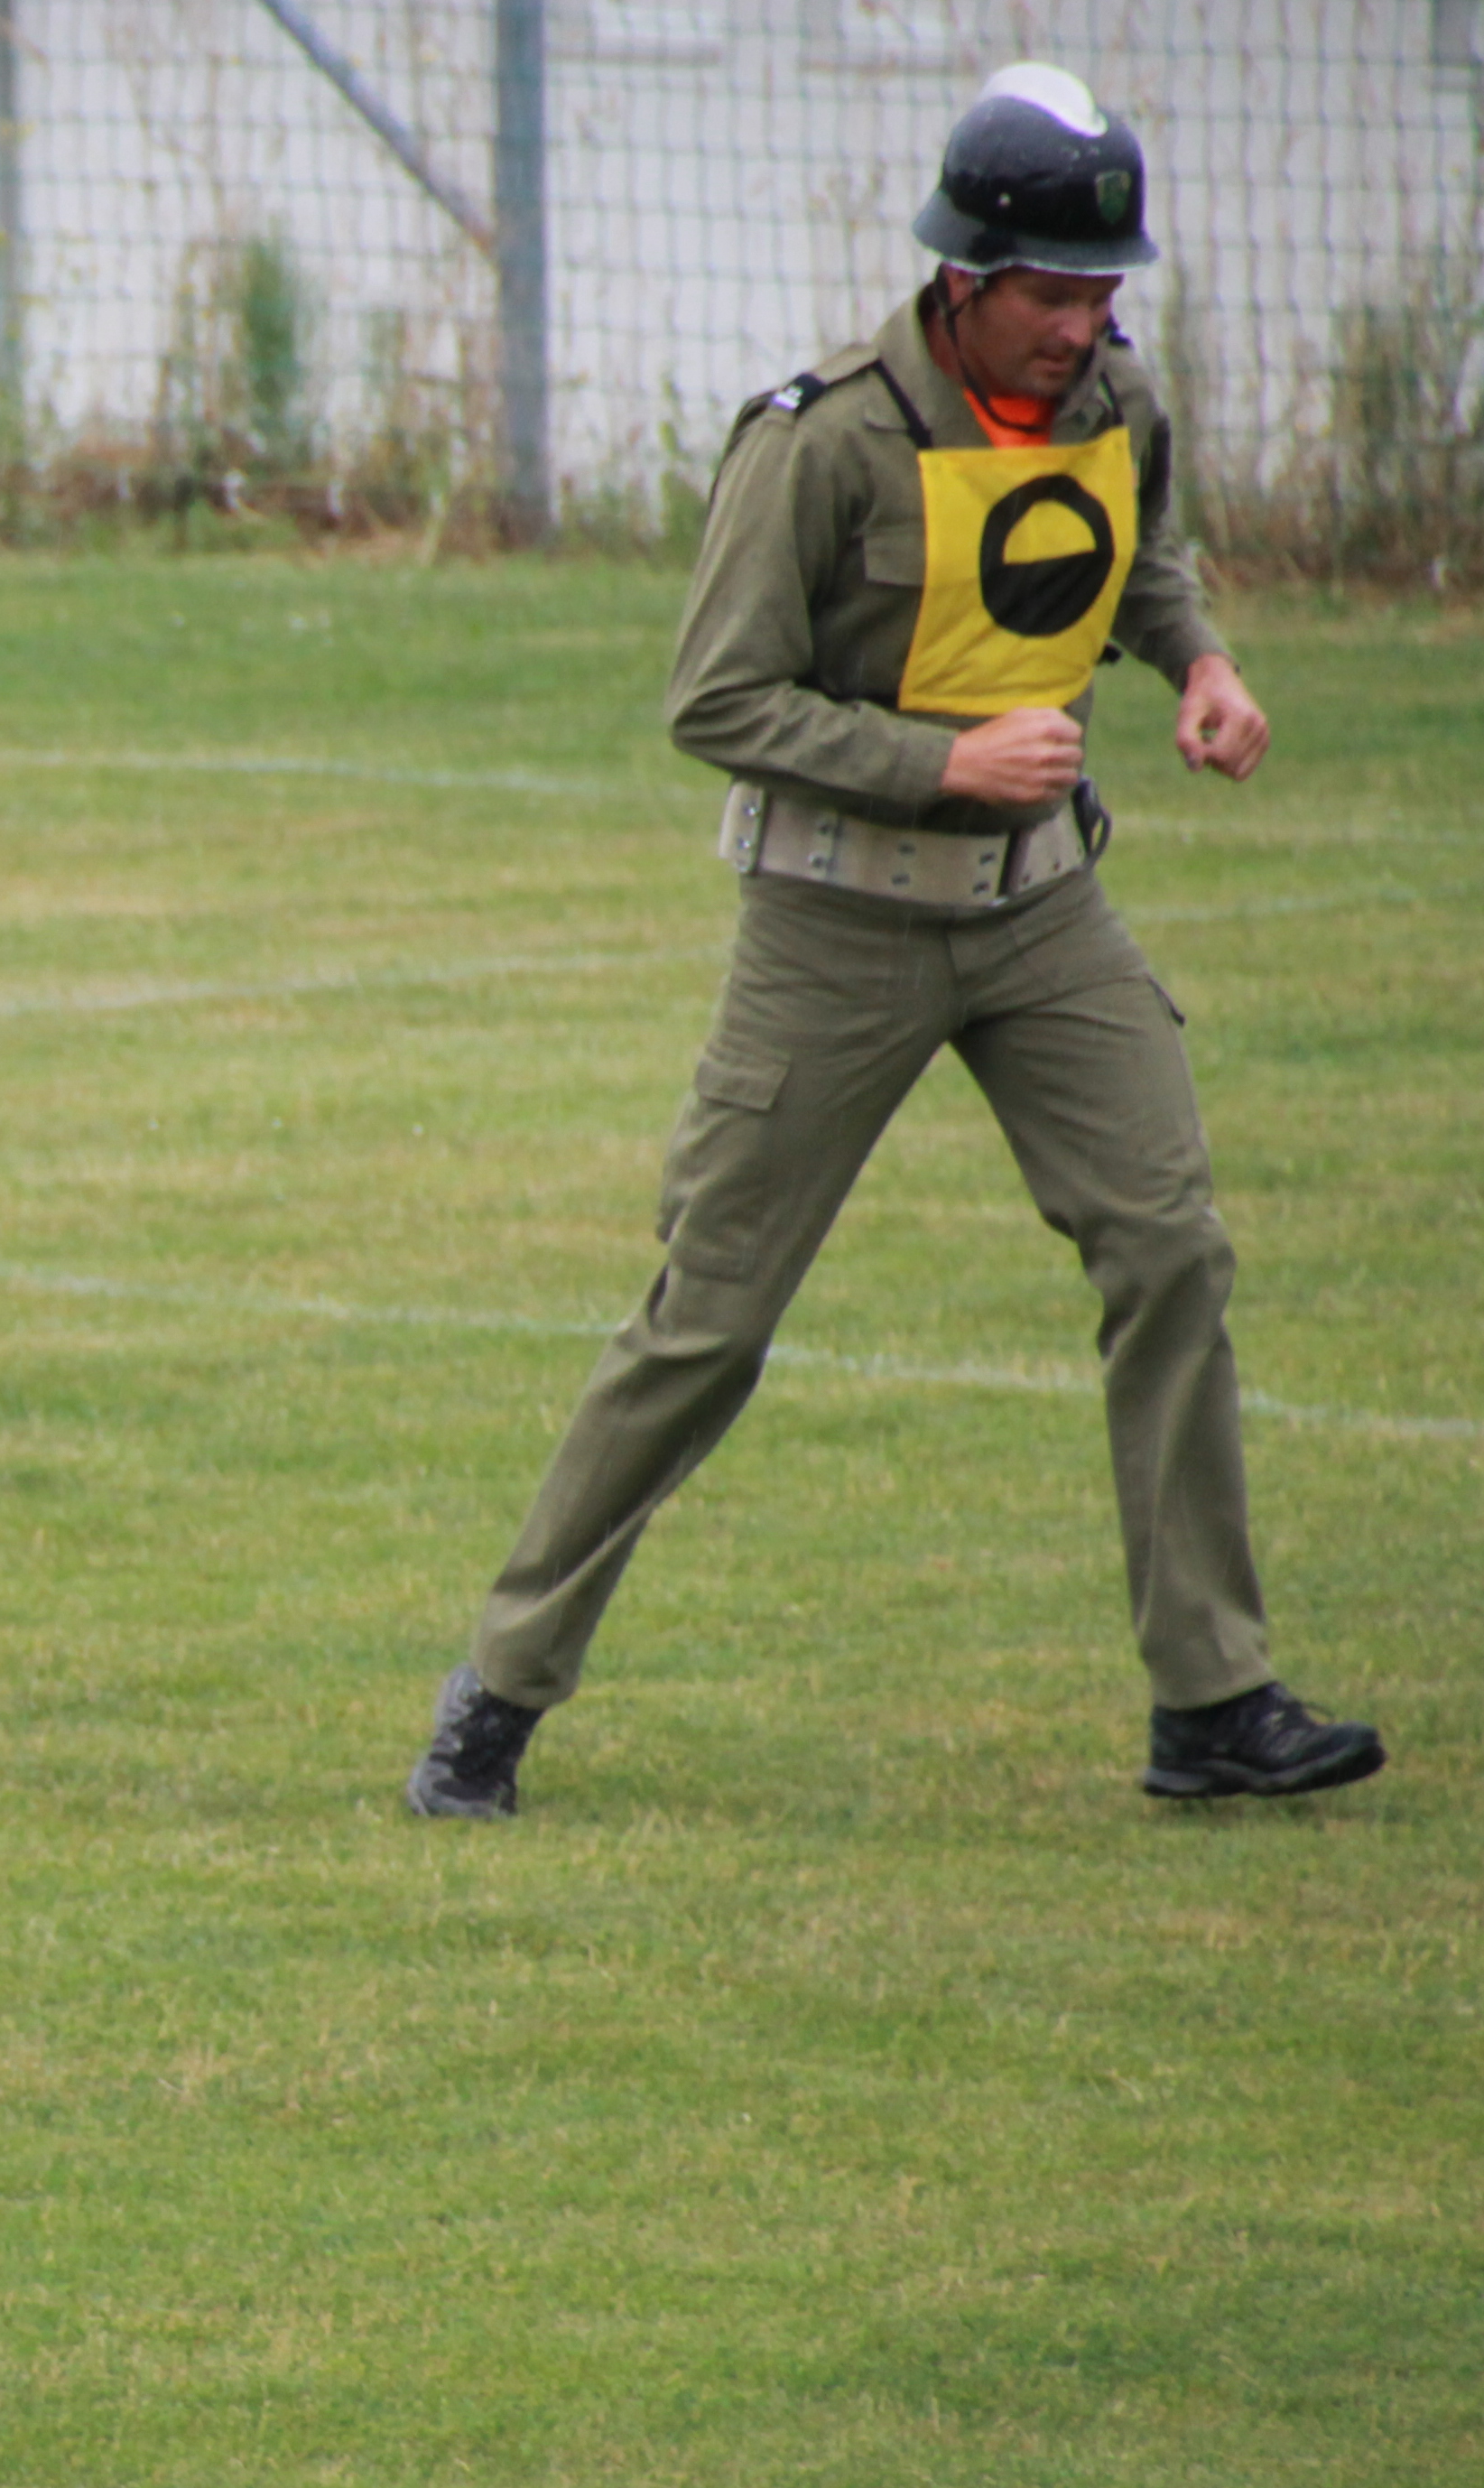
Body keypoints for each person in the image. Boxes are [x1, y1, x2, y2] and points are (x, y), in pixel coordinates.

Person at [406, 63, 1387, 1820]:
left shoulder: (1114, 401)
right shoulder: (822, 440)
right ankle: (497, 1691)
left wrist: (1202, 662)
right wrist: (938, 764)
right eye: (1051, 294)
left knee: (1168, 1248)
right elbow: (716, 699)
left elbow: (1130, 558)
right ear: (962, 276)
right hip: (833, 931)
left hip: (1044, 913)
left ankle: (1212, 1699)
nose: (1080, 327)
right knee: (707, 1325)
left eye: (1102, 294)